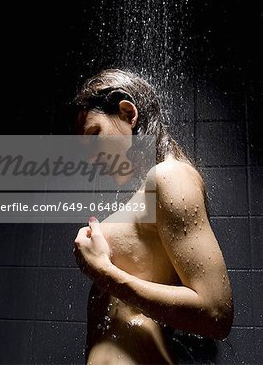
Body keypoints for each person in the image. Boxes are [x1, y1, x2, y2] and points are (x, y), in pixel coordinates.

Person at [73, 69, 233, 364]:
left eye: (95, 135)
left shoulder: (169, 176)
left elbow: (216, 314)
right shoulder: (144, 191)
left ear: (127, 113)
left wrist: (102, 272)